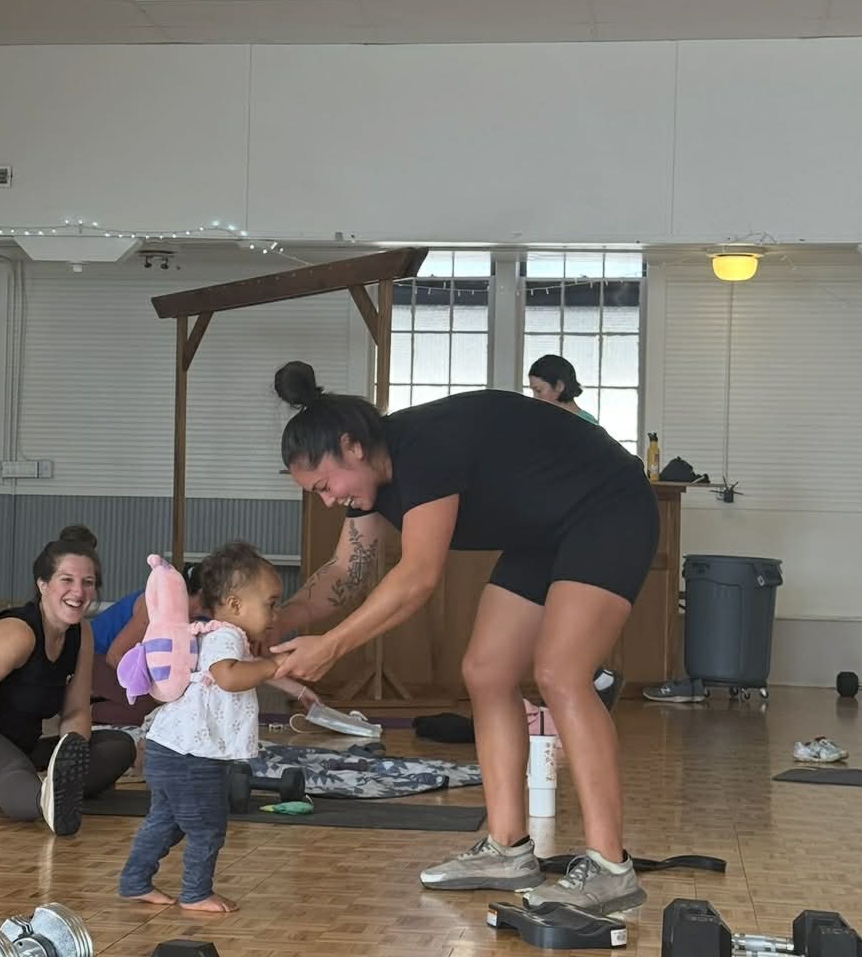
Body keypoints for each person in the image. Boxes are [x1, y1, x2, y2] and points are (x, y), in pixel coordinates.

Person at [268, 361, 659, 915]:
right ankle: (507, 849)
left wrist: (329, 646)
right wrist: (276, 622)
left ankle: (611, 868)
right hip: (543, 532)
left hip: (609, 507)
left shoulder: (423, 447)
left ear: (350, 446)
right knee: (486, 672)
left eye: (325, 486)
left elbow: (417, 578)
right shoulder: (372, 490)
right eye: (316, 495)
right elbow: (343, 574)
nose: (328, 501)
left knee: (561, 672)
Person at [118, 542, 313, 914]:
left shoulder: (217, 633)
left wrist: (294, 684)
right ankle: (195, 893)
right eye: (270, 604)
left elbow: (250, 666)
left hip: (169, 750)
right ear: (236, 604)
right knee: (207, 827)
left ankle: (134, 882)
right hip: (192, 757)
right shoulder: (225, 637)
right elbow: (227, 676)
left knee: (166, 822)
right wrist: (273, 668)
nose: (275, 615)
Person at [0, 525, 134, 835]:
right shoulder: (18, 634)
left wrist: (69, 755)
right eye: (67, 580)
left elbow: (77, 711)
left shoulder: (81, 634)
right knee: (15, 772)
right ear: (43, 584)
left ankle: (52, 789)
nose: (78, 592)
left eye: (87, 583)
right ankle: (41, 799)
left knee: (119, 746)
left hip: (22, 747)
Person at [90, 566, 205, 728]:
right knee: (147, 708)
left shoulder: (200, 617)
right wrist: (151, 691)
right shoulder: (155, 604)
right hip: (94, 659)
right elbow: (115, 656)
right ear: (200, 593)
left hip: (125, 667)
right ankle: (80, 710)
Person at [528, 354, 600, 424]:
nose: (534, 397)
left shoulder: (588, 424)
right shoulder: (545, 420)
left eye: (538, 390)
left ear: (559, 386)